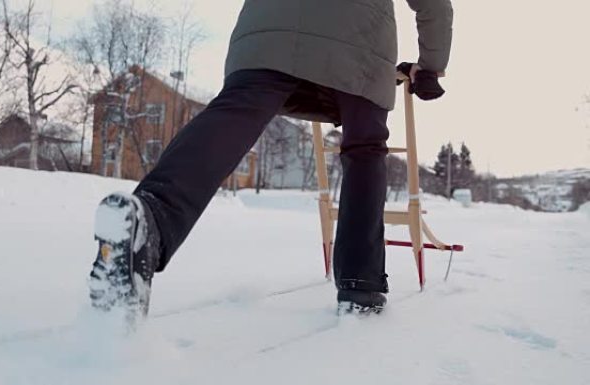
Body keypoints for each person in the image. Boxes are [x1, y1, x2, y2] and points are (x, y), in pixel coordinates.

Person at [89, 0, 453, 318]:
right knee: (365, 146)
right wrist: (430, 66)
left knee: (237, 112)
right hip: (359, 41)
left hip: (267, 32)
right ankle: (362, 282)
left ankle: (150, 219)